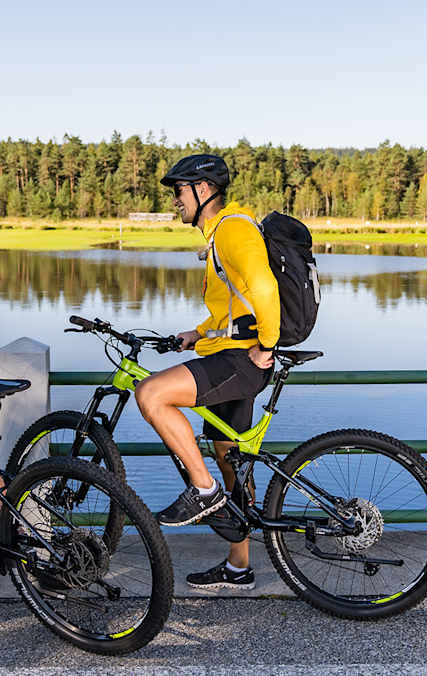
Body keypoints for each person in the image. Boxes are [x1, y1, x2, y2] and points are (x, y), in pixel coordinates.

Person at [134, 154, 280, 591]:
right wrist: (197, 334)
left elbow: (264, 287)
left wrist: (267, 345)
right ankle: (239, 567)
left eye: (179, 191)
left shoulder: (233, 229)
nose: (175, 201)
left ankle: (203, 490)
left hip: (240, 361)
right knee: (229, 460)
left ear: (202, 190)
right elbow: (236, 305)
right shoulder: (221, 233)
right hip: (231, 353)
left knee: (151, 394)